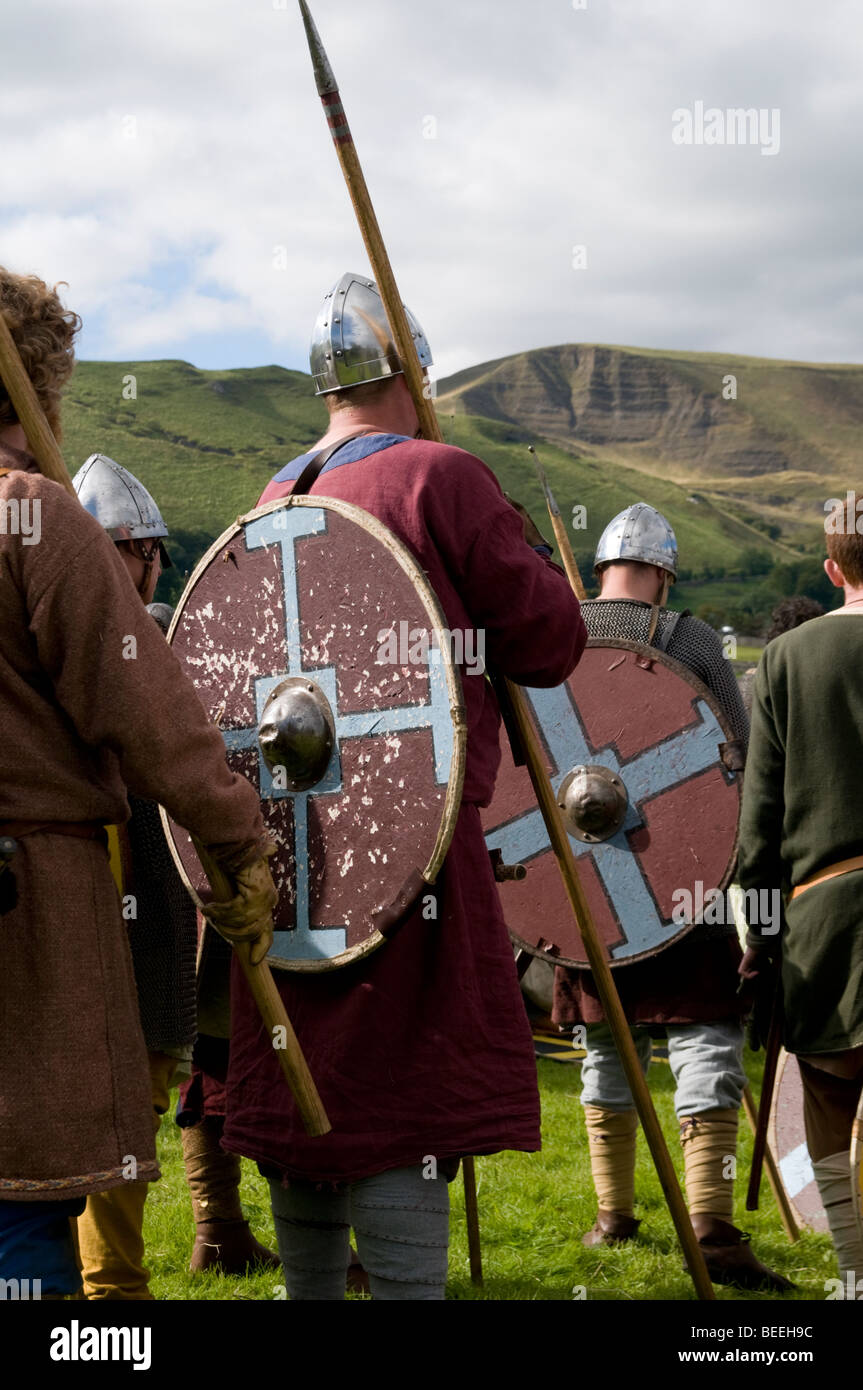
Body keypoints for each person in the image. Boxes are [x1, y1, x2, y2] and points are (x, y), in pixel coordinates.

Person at [218, 271, 586, 1300]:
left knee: (314, 1094)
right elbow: (550, 640)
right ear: (410, 368)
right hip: (408, 843)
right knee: (400, 1101)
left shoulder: (274, 497)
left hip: (294, 853)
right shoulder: (440, 475)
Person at [0, 267, 276, 1299]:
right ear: (38, 381)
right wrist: (241, 841)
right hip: (25, 912)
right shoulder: (31, 517)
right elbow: (154, 718)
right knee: (20, 1207)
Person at [552, 503, 790, 1290]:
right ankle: (710, 1223)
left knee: (606, 1049)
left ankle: (612, 1215)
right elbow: (742, 754)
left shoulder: (558, 630)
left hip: (587, 886)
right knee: (703, 1043)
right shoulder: (688, 640)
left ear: (602, 569)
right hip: (681, 873)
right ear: (662, 574)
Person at [70, 452, 278, 1297]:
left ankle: (132, 1268)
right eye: (148, 550)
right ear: (138, 553)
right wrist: (237, 839)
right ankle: (110, 1291)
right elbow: (180, 757)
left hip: (91, 889)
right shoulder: (124, 636)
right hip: (118, 891)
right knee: (117, 1102)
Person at [738, 492, 863, 1286]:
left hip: (818, 914)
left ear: (829, 568)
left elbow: (760, 820)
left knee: (827, 1090)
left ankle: (854, 1272)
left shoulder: (783, 658)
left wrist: (757, 937)